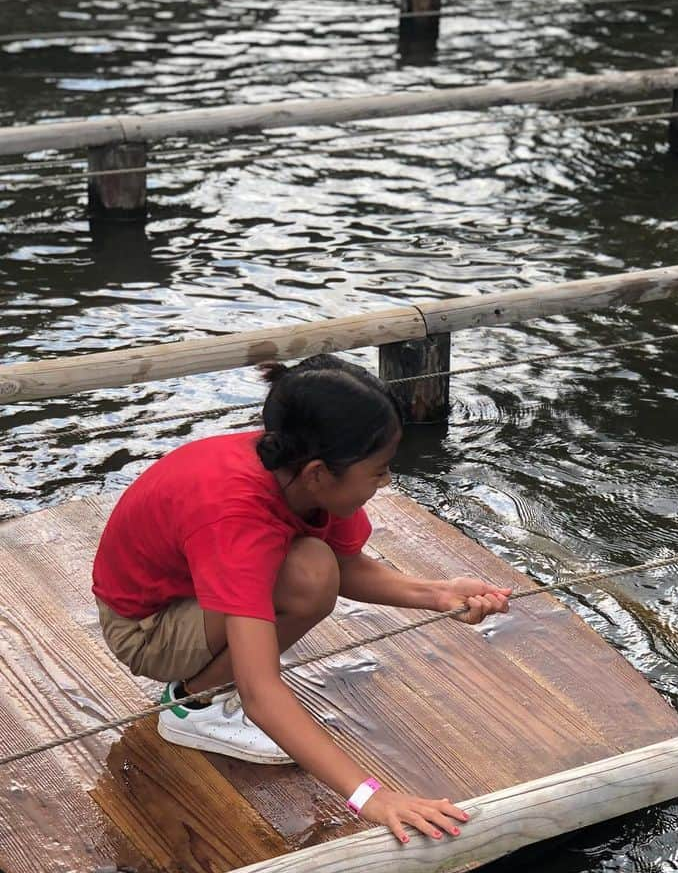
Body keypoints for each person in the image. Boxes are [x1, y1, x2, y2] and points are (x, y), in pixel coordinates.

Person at [91, 353, 511, 845]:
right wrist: (371, 797)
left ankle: (203, 689)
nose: (387, 481)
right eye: (377, 471)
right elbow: (261, 692)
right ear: (318, 474)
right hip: (146, 628)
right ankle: (194, 706)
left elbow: (346, 567)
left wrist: (439, 593)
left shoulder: (299, 471)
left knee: (316, 568)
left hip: (197, 590)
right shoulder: (237, 518)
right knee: (308, 577)